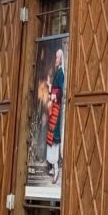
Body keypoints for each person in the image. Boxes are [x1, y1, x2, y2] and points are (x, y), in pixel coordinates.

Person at [46, 48, 65, 182]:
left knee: (54, 136)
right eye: (56, 58)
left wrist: (53, 97)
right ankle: (53, 166)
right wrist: (49, 87)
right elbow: (54, 90)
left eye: (57, 58)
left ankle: (56, 169)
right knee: (50, 135)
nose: (56, 60)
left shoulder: (61, 73)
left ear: (61, 59)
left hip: (56, 108)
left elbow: (60, 93)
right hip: (53, 107)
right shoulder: (57, 72)